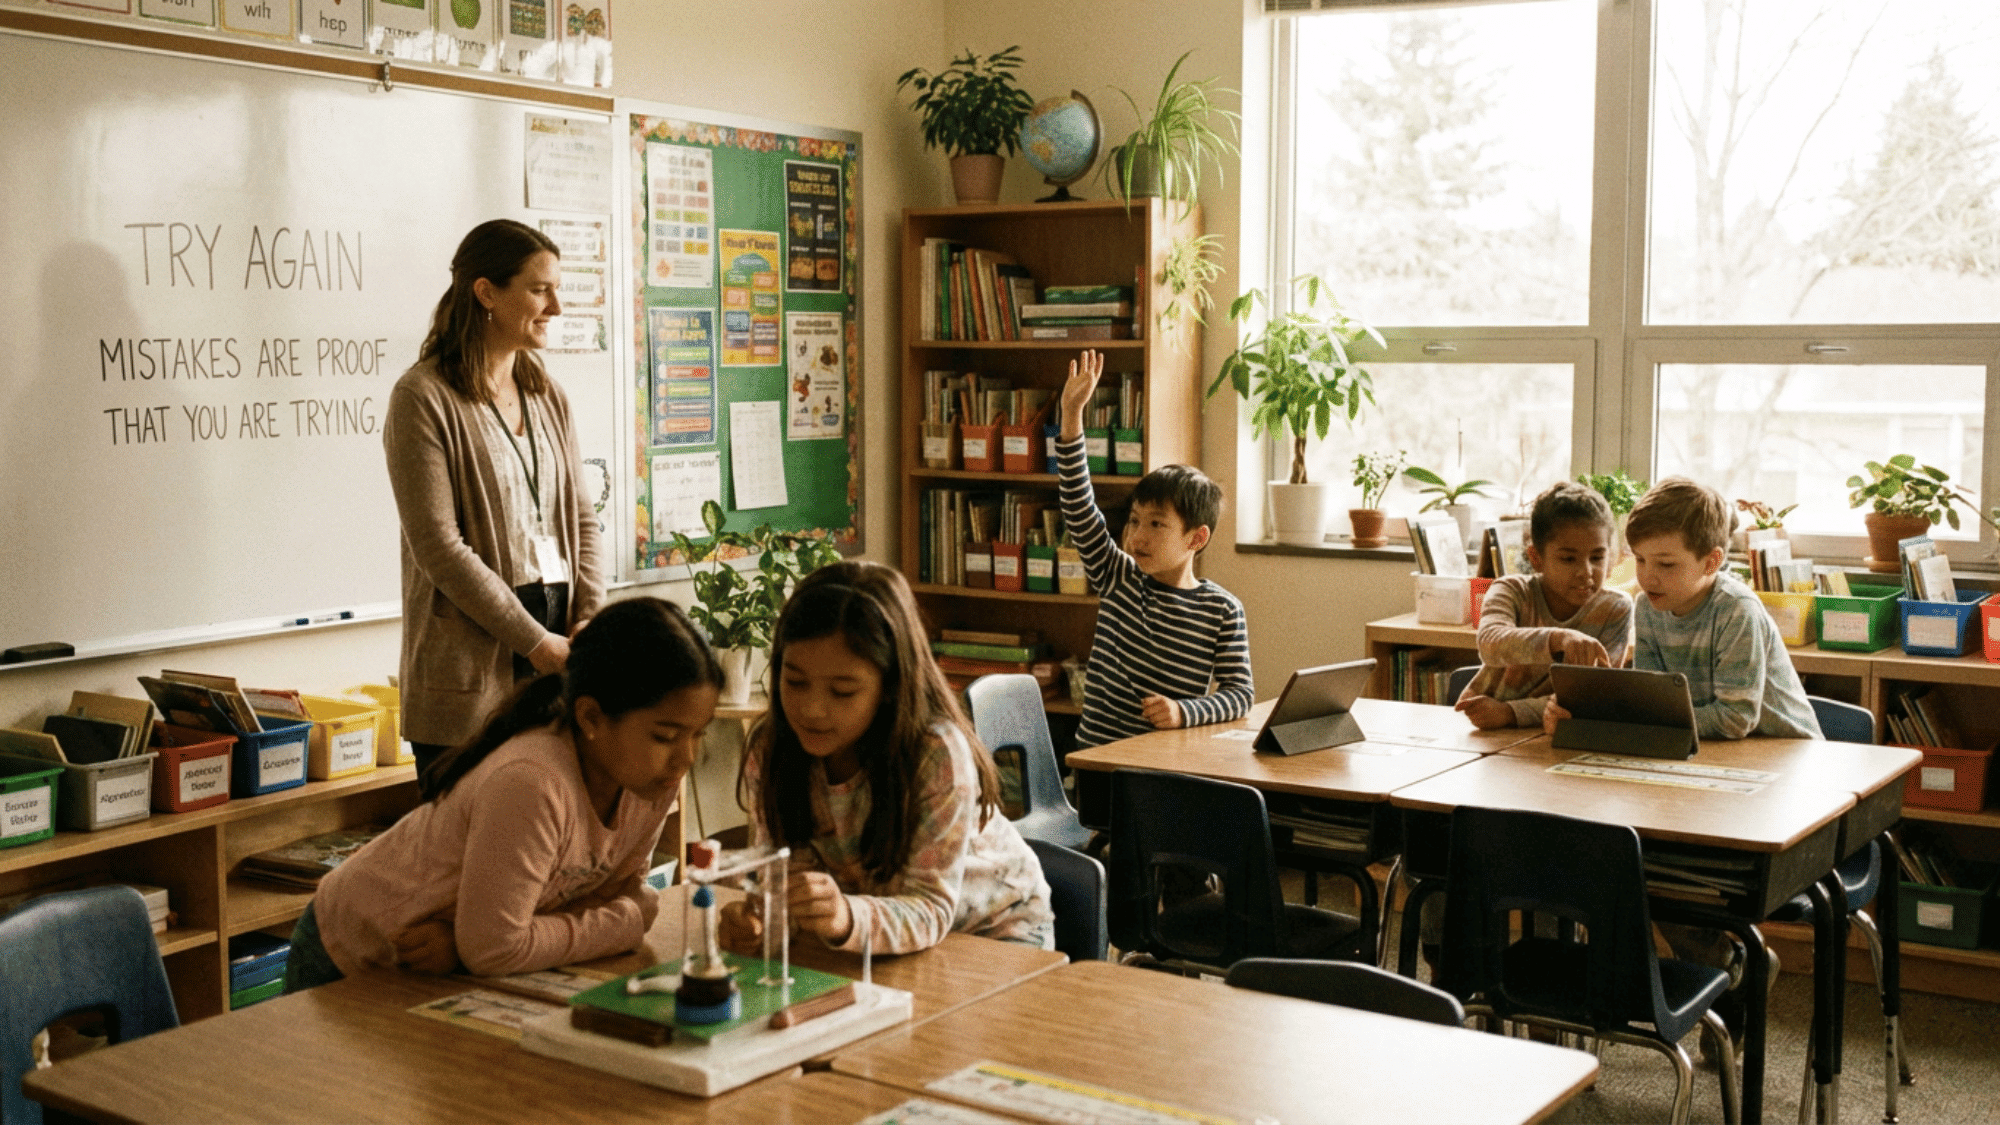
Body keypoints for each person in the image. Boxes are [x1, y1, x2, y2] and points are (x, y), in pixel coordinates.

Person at [284, 598, 721, 992]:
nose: (686, 757)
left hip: (438, 967)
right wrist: (627, 923)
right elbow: (503, 949)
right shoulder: (533, 783)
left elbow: (609, 894)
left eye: (698, 734)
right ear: (591, 717)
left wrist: (468, 941)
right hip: (352, 949)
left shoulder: (650, 780)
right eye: (666, 736)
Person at [1546, 476, 1820, 1036]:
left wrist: (1651, 717)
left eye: (1666, 565)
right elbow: (1651, 690)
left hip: (1780, 772)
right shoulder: (1647, 607)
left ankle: (1728, 968)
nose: (1648, 578)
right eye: (1640, 561)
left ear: (1712, 560)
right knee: (1632, 861)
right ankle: (1721, 970)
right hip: (1699, 763)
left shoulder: (1736, 611)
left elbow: (1738, 717)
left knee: (1671, 868)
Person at [717, 561, 1053, 955]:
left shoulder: (936, 753)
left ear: (891, 687)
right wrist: (762, 920)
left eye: (842, 692)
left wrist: (845, 915)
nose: (812, 709)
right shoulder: (772, 750)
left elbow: (929, 907)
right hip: (873, 940)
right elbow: (782, 883)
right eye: (795, 682)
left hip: (995, 933)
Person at [383, 218, 604, 777]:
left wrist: (590, 622)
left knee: (548, 847)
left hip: (557, 649)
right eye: (539, 289)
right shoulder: (423, 397)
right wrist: (534, 643)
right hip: (477, 665)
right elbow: (438, 545)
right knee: (470, 856)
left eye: (556, 288)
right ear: (486, 292)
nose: (555, 306)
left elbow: (582, 515)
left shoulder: (545, 392)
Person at [1055, 348, 1252, 747]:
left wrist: (1185, 712)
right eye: (1134, 520)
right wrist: (1072, 416)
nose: (1137, 536)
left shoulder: (1222, 610)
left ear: (1196, 539)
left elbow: (1240, 694)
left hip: (1169, 767)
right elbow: (1078, 505)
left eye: (1157, 524)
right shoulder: (1119, 577)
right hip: (1102, 762)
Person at [1454, 481, 1633, 729]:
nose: (1586, 572)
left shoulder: (1616, 609)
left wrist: (1511, 713)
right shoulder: (1510, 590)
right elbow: (1490, 643)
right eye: (1568, 558)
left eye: (1597, 557)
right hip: (1488, 728)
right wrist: (1558, 638)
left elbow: (1593, 695)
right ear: (1536, 558)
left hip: (1558, 732)